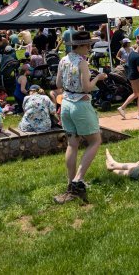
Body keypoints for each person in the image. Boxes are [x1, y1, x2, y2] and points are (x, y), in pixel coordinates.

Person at [53, 31, 107, 204]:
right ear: (81, 46)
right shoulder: (82, 63)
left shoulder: (64, 60)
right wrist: (98, 77)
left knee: (72, 144)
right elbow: (87, 88)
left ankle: (70, 184)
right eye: (88, 45)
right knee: (95, 140)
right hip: (80, 105)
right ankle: (78, 181)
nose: (89, 48)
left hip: (66, 105)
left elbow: (58, 84)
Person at [118, 41, 139, 120]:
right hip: (137, 77)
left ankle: (122, 108)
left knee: (135, 94)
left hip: (131, 76)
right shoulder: (138, 57)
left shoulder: (132, 53)